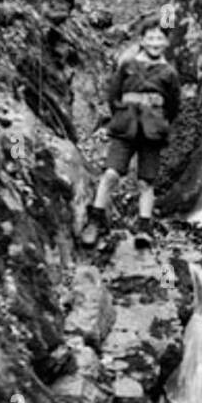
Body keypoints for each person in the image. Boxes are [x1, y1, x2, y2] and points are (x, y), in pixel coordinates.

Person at [81, 22, 181, 250]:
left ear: (165, 43)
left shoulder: (169, 73)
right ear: (143, 41)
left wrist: (159, 122)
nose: (155, 43)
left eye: (159, 39)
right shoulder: (127, 65)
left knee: (146, 181)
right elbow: (113, 95)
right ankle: (96, 221)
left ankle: (144, 228)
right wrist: (124, 115)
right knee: (110, 174)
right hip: (125, 127)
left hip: (152, 132)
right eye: (151, 38)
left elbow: (174, 106)